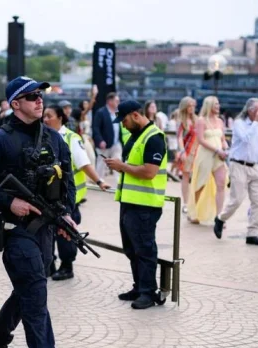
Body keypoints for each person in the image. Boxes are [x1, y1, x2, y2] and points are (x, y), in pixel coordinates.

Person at [0, 75, 77, 348]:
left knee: (27, 290)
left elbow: (68, 179)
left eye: (41, 95)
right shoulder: (0, 140)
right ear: (15, 104)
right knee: (35, 292)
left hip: (46, 229)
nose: (39, 100)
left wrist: (67, 214)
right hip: (16, 231)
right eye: (32, 96)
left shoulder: (54, 138)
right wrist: (9, 201)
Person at [104, 100, 168, 310]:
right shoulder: (135, 136)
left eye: (124, 120)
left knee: (144, 249)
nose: (123, 124)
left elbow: (149, 172)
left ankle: (148, 292)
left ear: (135, 115)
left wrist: (121, 166)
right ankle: (139, 287)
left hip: (145, 204)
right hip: (129, 202)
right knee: (131, 249)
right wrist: (120, 166)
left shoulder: (154, 137)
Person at [43, 104, 111, 281]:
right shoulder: (42, 136)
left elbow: (84, 164)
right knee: (48, 233)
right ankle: (49, 264)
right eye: (44, 116)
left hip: (67, 199)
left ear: (60, 118)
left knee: (65, 234)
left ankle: (67, 267)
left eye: (49, 116)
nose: (45, 119)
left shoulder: (71, 138)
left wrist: (99, 181)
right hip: (48, 198)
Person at [213, 98, 258, 246]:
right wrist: (256, 122)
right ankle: (220, 218)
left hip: (255, 167)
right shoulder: (239, 123)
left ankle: (252, 233)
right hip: (239, 165)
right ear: (251, 110)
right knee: (236, 199)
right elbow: (246, 139)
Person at [187, 96, 228, 224]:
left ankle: (219, 217)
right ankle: (193, 212)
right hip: (205, 156)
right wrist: (217, 150)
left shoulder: (220, 121)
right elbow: (200, 140)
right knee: (200, 184)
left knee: (221, 184)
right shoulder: (201, 121)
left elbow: (223, 139)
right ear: (209, 105)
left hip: (219, 157)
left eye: (218, 104)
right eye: (216, 104)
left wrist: (226, 148)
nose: (218, 106)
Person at [93, 92, 124, 176]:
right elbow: (96, 128)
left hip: (116, 143)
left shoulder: (118, 113)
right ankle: (99, 181)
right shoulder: (101, 112)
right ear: (110, 101)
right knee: (101, 164)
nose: (118, 103)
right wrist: (100, 140)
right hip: (104, 144)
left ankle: (119, 182)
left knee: (118, 162)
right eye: (116, 101)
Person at [176, 97, 197, 212]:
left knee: (196, 177)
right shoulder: (181, 121)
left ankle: (195, 202)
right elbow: (179, 137)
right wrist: (182, 151)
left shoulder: (197, 120)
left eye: (193, 105)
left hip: (197, 151)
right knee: (186, 176)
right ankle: (186, 203)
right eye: (189, 106)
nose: (192, 108)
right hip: (187, 151)